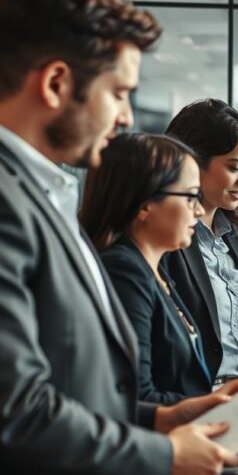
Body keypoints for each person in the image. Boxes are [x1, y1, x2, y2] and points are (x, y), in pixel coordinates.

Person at [0, 0, 238, 475]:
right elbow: (8, 409)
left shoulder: (29, 185)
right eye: (118, 93)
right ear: (56, 83)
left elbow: (67, 382)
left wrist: (159, 419)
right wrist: (158, 457)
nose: (128, 116)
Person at [80, 133, 216, 404]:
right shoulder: (123, 271)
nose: (199, 210)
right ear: (144, 204)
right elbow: (137, 398)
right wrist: (212, 405)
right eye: (191, 196)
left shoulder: (156, 268)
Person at [163, 99, 238, 384]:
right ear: (190, 161)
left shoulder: (231, 234)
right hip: (193, 405)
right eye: (235, 167)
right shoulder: (166, 239)